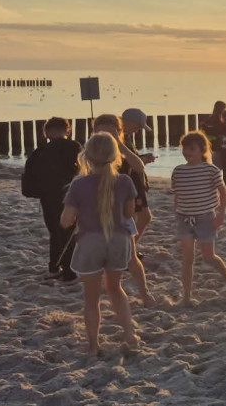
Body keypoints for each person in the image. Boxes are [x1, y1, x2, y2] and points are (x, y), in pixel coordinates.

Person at [59, 132, 139, 356]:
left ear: (87, 156)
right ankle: (130, 334)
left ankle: (94, 345)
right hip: (119, 240)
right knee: (115, 288)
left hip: (90, 241)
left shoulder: (79, 185)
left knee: (91, 298)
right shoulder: (124, 181)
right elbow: (129, 213)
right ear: (115, 156)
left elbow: (66, 221)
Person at [91, 114, 156, 306]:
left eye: (110, 131)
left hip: (120, 212)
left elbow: (139, 166)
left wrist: (118, 142)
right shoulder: (91, 150)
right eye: (100, 131)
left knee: (131, 256)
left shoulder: (122, 149)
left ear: (119, 131)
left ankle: (144, 293)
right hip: (97, 212)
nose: (105, 135)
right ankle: (105, 291)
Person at [172, 131, 226, 306]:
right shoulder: (178, 171)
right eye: (185, 148)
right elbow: (177, 193)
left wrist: (222, 214)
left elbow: (223, 192)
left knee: (208, 256)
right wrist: (177, 210)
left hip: (205, 218)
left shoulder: (211, 170)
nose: (187, 152)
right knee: (187, 259)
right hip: (184, 219)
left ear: (202, 150)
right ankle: (186, 295)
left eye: (192, 149)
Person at [22, 117, 82, 282]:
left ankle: (54, 268)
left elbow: (28, 179)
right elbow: (83, 168)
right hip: (70, 195)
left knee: (55, 232)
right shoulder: (74, 146)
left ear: (46, 133)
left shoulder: (39, 152)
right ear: (67, 131)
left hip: (47, 197)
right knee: (68, 232)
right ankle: (70, 271)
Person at [119, 108, 157, 243]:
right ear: (127, 122)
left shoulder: (126, 137)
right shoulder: (119, 139)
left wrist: (142, 159)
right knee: (143, 217)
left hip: (135, 182)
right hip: (131, 183)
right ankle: (129, 248)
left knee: (136, 217)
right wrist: (143, 160)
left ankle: (130, 248)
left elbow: (130, 159)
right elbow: (122, 163)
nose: (138, 131)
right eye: (137, 127)